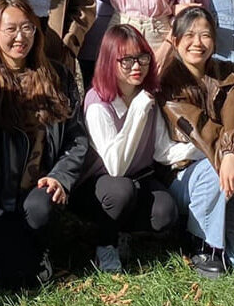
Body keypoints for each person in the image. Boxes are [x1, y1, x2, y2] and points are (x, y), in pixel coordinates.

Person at [0, 0, 88, 288]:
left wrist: (60, 177)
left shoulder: (58, 77)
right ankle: (22, 249)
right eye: (11, 29)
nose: (20, 37)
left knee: (39, 213)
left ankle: (40, 247)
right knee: (13, 277)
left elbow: (77, 139)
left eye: (27, 28)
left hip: (39, 192)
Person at [156, 6, 234, 278]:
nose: (198, 43)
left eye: (205, 35)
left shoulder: (229, 74)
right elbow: (202, 131)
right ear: (175, 41)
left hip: (228, 178)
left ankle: (215, 224)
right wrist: (232, 158)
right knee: (211, 169)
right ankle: (202, 244)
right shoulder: (167, 83)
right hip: (184, 177)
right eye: (190, 35)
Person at [69, 24, 178, 272]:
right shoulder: (98, 102)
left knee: (165, 213)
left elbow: (163, 150)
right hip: (98, 184)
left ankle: (122, 230)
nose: (137, 66)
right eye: (126, 60)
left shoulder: (148, 96)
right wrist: (137, 112)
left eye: (142, 57)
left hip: (140, 178)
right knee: (120, 190)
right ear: (110, 61)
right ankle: (104, 245)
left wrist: (207, 152)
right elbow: (115, 166)